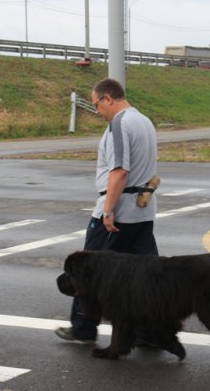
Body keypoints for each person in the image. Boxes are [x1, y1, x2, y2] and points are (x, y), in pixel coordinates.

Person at [55, 77, 159, 343]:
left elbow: (120, 171)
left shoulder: (120, 124)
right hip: (142, 211)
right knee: (147, 276)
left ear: (108, 98)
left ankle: (83, 327)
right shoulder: (144, 121)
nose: (97, 111)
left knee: (87, 269)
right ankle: (152, 332)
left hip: (119, 210)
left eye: (96, 105)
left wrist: (109, 210)